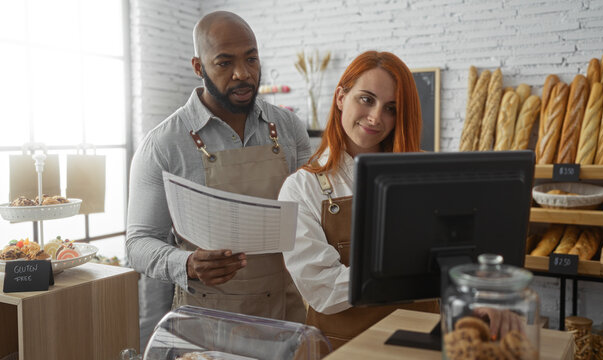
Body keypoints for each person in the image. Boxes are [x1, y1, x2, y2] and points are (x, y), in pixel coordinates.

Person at [126, 10, 311, 329]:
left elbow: (311, 215)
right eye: (225, 63)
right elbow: (139, 243)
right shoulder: (164, 144)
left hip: (286, 316)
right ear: (198, 67)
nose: (243, 73)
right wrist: (187, 264)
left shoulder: (289, 128)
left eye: (251, 59)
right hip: (208, 322)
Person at [277, 50, 439, 351]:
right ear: (341, 97)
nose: (377, 117)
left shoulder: (426, 174)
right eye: (366, 99)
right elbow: (322, 288)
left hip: (422, 345)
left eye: (391, 108)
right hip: (341, 349)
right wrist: (414, 271)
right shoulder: (300, 189)